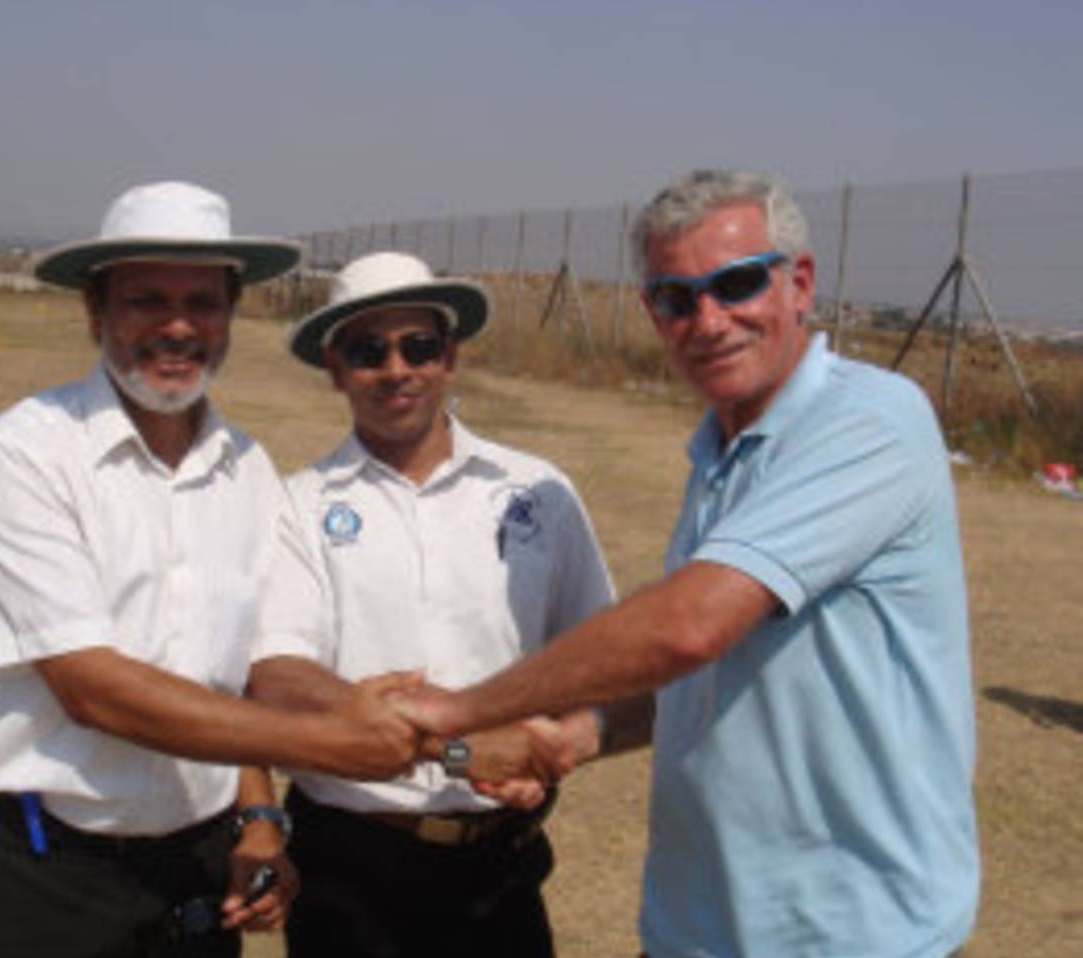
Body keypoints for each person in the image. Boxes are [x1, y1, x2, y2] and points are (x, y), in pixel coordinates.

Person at [399, 170, 980, 958]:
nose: (709, 320)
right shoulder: (721, 455)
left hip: (847, 934)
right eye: (677, 298)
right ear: (653, 313)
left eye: (737, 283)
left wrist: (457, 710)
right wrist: (581, 734)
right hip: (698, 930)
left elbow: (690, 627)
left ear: (799, 283)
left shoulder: (871, 421)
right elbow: (707, 676)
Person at [0, 182, 420, 958]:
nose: (179, 325)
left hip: (194, 871)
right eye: (146, 300)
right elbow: (92, 688)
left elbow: (239, 674)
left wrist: (258, 817)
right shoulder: (18, 455)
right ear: (96, 312)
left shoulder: (248, 470)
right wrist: (331, 743)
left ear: (231, 315)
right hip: (41, 873)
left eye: (204, 300)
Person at [247, 251, 634, 958]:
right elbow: (278, 676)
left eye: (418, 346)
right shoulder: (296, 506)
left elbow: (601, 660)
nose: (397, 369)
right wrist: (461, 746)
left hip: (502, 868)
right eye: (368, 351)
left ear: (450, 355)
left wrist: (550, 750)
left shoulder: (537, 491)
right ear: (334, 369)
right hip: (353, 868)